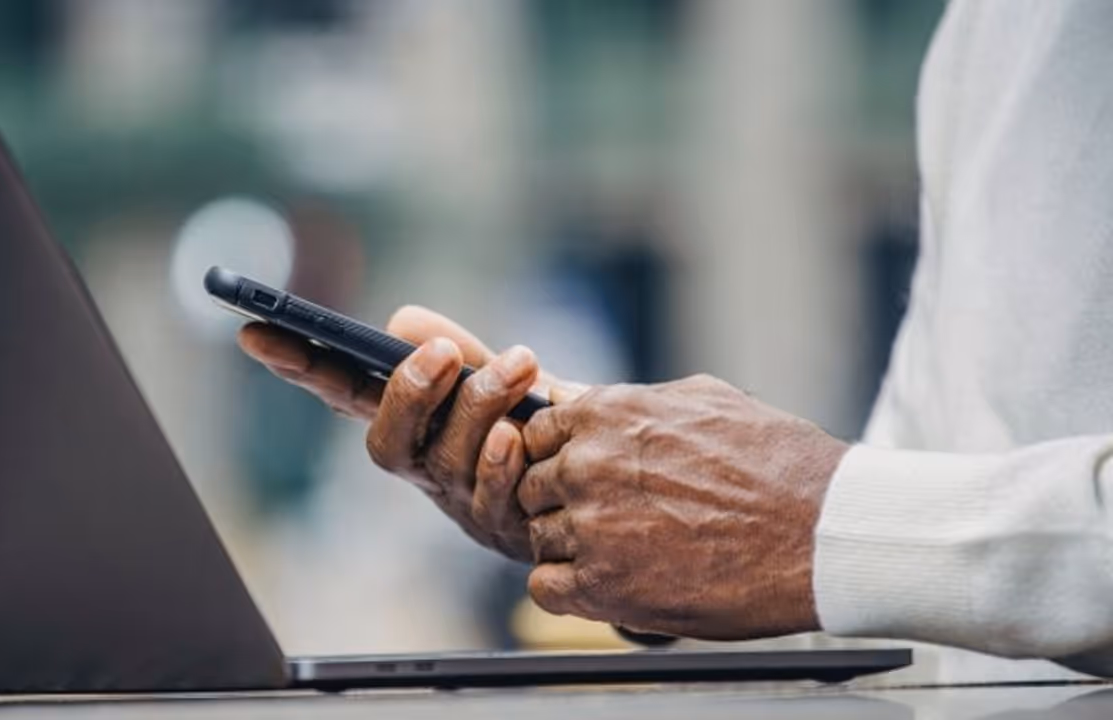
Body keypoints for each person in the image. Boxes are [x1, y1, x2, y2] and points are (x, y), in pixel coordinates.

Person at [238, 0, 1113, 680]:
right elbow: (913, 564)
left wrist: (817, 526)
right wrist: (607, 516)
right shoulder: (989, 32)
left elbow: (858, 536)